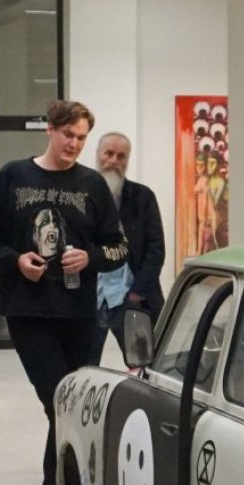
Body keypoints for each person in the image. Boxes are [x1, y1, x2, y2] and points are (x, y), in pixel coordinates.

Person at [0, 100, 128, 485]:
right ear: (50, 130)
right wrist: (15, 260)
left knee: (72, 404)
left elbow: (119, 247)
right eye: (68, 135)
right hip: (29, 311)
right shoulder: (13, 177)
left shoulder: (92, 184)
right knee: (57, 400)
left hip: (80, 313)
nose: (74, 144)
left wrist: (91, 256)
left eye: (81, 138)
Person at [91, 131, 166, 364]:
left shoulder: (143, 197)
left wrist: (137, 293)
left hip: (130, 296)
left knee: (145, 362)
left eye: (121, 156)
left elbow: (156, 249)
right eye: (109, 153)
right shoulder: (80, 194)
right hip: (91, 298)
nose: (114, 161)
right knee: (83, 366)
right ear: (98, 155)